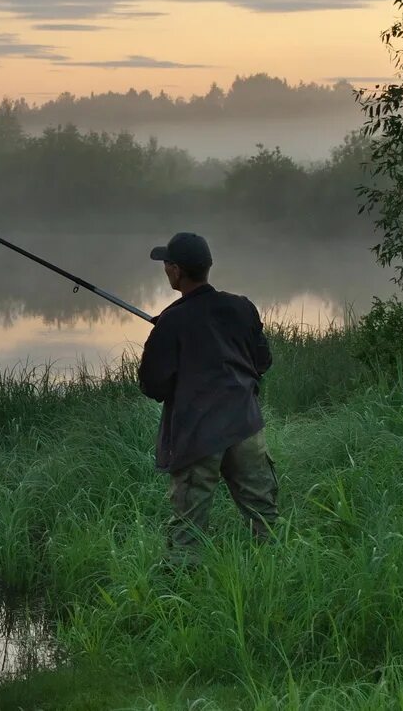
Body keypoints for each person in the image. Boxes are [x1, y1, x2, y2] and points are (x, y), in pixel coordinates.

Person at [138, 232, 277, 560]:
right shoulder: (242, 307)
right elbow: (263, 361)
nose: (166, 270)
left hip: (198, 435)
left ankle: (182, 599)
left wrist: (166, 336)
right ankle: (273, 574)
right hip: (245, 424)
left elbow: (152, 385)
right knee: (265, 518)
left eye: (167, 265)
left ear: (175, 271)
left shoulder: (172, 321)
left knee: (189, 528)